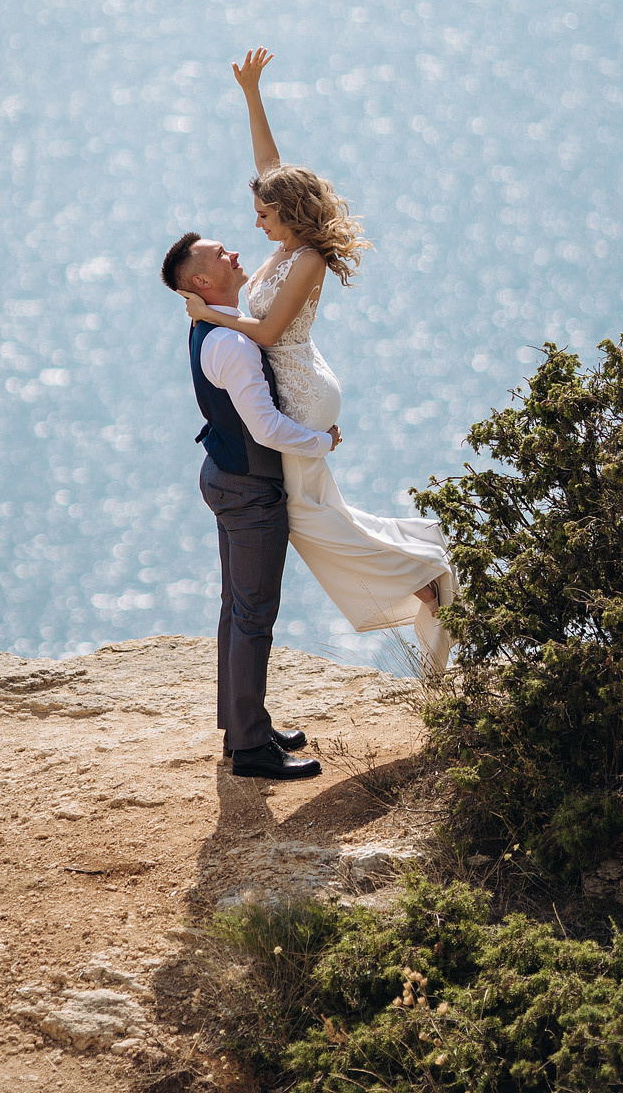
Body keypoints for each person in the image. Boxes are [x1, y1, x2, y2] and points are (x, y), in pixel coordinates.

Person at [179, 48, 456, 672]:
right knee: (320, 512)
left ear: (291, 216)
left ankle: (426, 578)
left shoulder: (306, 260)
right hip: (302, 382)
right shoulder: (293, 242)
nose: (256, 223)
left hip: (301, 389)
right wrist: (251, 93)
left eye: (265, 215)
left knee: (304, 521)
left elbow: (271, 331)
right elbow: (269, 167)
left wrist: (211, 314)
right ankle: (422, 569)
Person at [161, 233, 341, 781]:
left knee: (235, 609)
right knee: (253, 615)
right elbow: (265, 427)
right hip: (247, 490)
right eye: (220, 255)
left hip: (225, 477)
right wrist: (323, 441)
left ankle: (244, 727)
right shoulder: (233, 345)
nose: (234, 254)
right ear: (201, 282)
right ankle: (250, 748)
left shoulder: (210, 326)